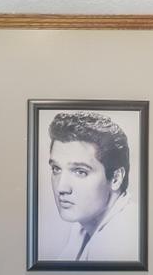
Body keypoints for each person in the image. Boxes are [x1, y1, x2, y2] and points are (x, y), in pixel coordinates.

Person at [44, 110, 139, 262]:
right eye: (56, 169)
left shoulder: (122, 242)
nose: (61, 188)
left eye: (80, 172)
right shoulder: (84, 226)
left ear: (116, 178)